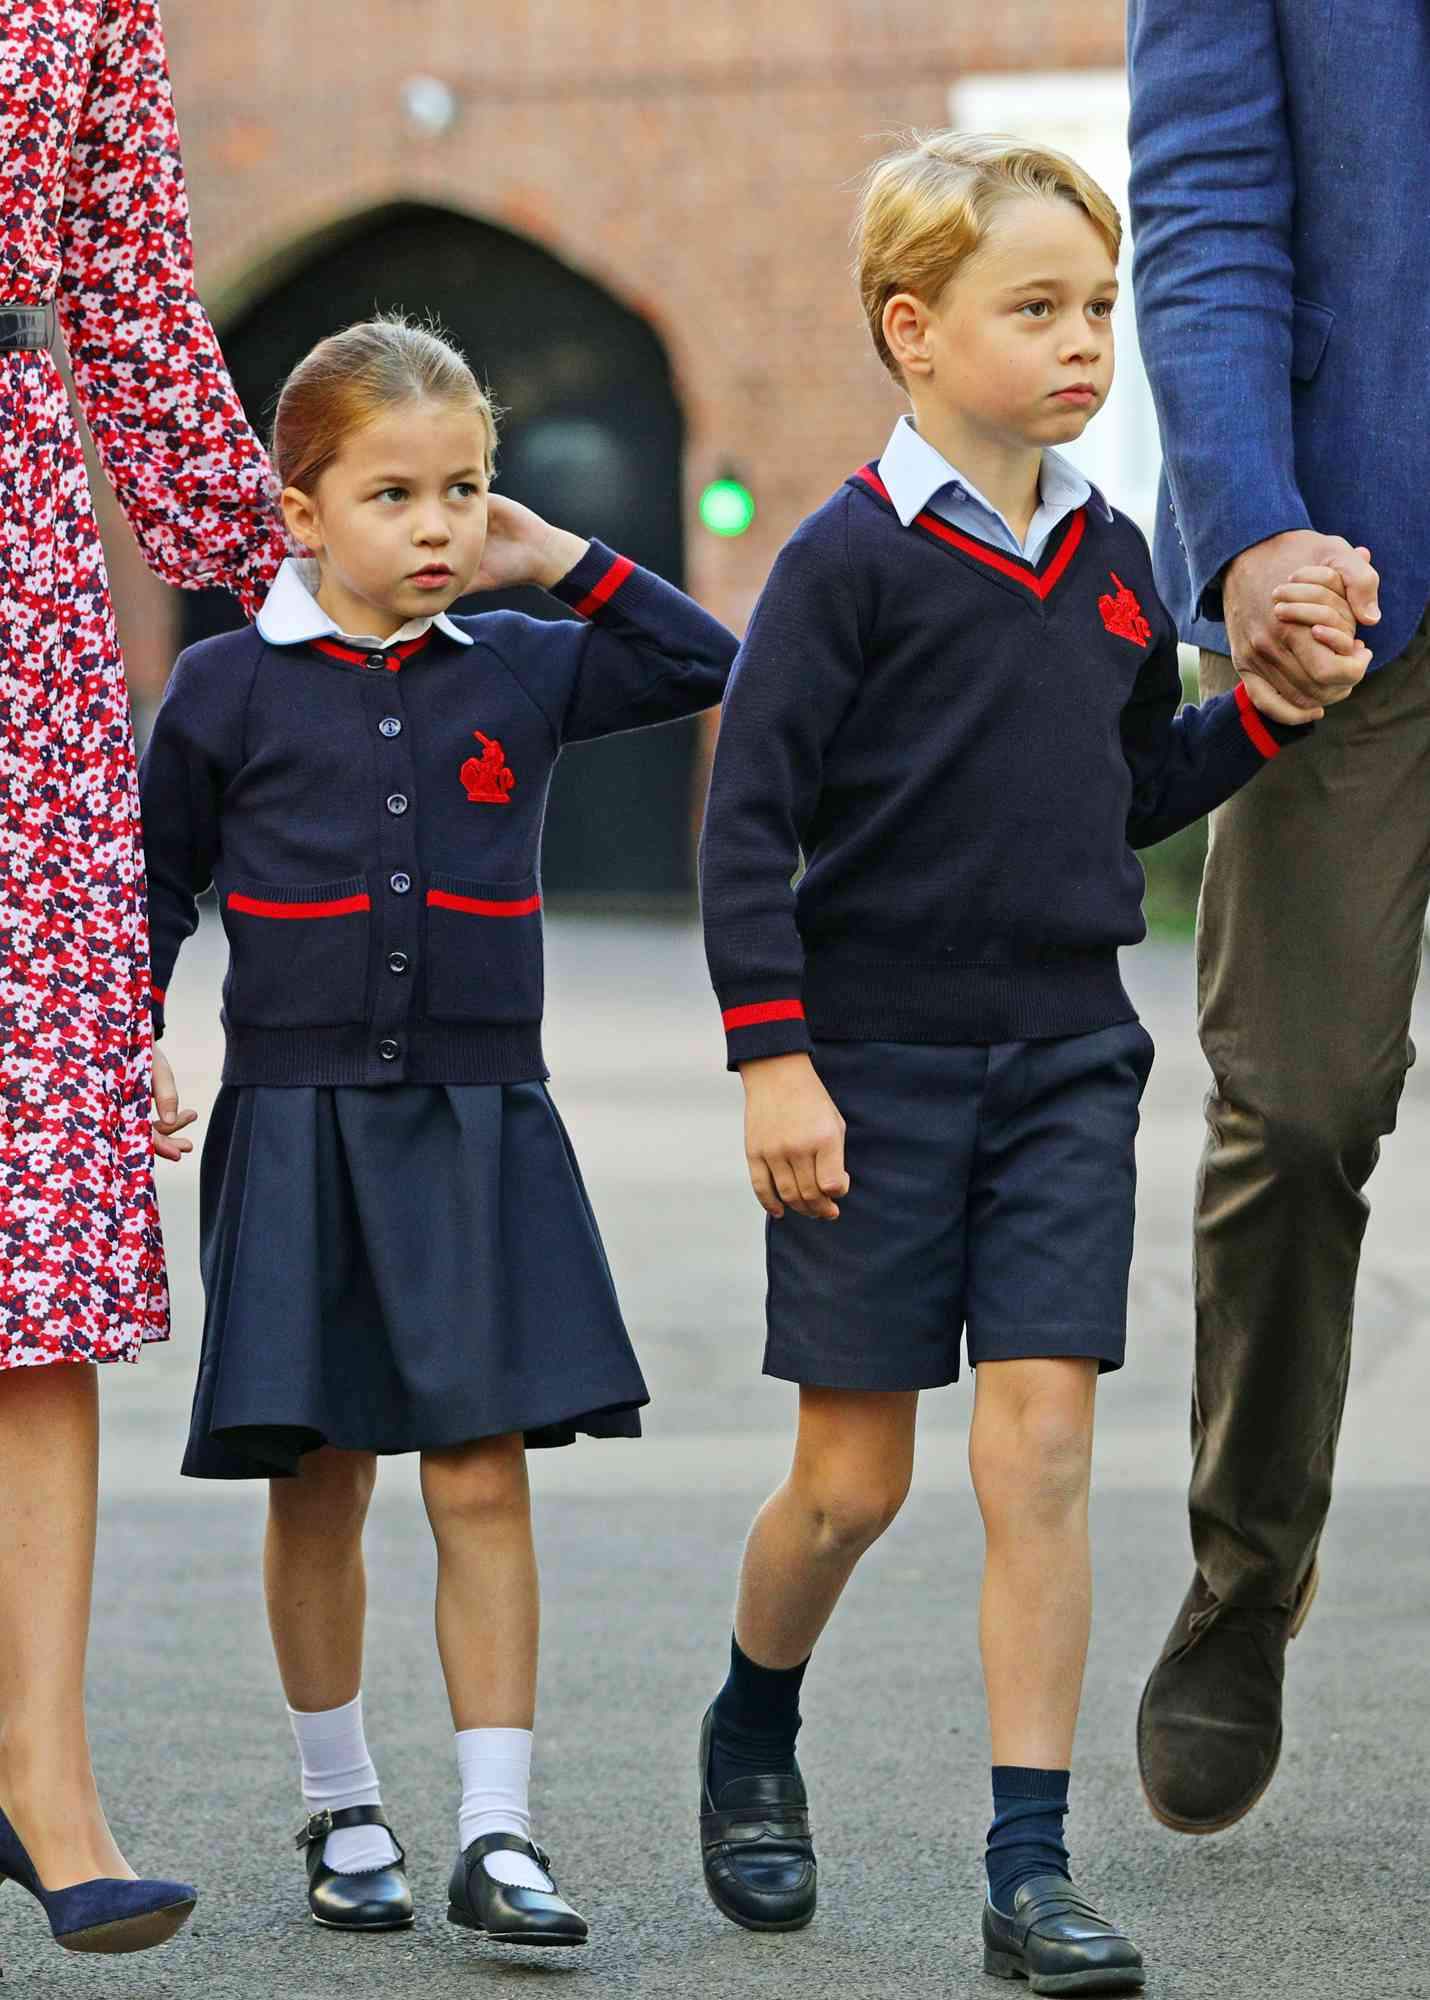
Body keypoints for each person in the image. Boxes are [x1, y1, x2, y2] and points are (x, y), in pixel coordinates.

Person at [695, 132, 1367, 1997]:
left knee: (1046, 1455)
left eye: (1099, 307)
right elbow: (746, 835)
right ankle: (752, 1729)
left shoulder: (1115, 553)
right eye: (1037, 309)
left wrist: (1255, 719)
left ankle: (1027, 1871)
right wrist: (773, 1063)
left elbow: (1124, 790)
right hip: (870, 1074)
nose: (1086, 342)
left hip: (1069, 1058)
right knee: (849, 1485)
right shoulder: (840, 564)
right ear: (912, 330)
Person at [139, 316, 735, 1947]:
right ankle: (341, 1807)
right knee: (319, 1473)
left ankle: (497, 1831)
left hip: (481, 1120)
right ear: (299, 510)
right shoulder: (224, 684)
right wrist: (126, 1035)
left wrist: (558, 556)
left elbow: (709, 669)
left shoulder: (526, 665)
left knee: (480, 1474)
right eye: (393, 492)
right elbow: (154, 881)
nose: (435, 525)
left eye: (463, 490)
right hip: (297, 1117)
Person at [0, 0, 287, 1962]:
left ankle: (43, 1769)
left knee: (26, 1204)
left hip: (11, 577)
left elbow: (129, 278)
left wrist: (291, 571)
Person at [1126, 0, 1428, 1838]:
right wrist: (1244, 527)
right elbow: (1213, 197)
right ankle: (1246, 1578)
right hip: (1354, 567)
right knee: (1298, 1105)